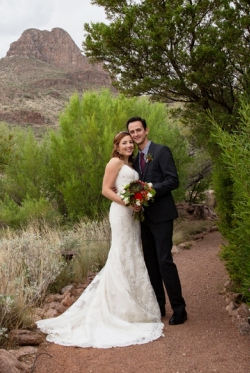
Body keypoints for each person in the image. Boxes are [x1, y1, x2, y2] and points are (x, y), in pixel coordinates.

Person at [36, 132, 163, 348]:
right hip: (121, 213)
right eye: (124, 143)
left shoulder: (129, 164)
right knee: (121, 252)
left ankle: (134, 304)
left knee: (132, 252)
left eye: (130, 143)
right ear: (116, 146)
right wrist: (127, 202)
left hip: (132, 214)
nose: (128, 146)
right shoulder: (114, 162)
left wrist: (138, 201)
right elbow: (105, 189)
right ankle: (118, 308)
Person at [126, 116, 187, 325]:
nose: (135, 135)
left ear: (146, 130)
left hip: (162, 216)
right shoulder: (134, 159)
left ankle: (179, 309)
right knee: (151, 263)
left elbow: (173, 181)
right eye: (132, 132)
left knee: (164, 261)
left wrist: (149, 190)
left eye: (138, 130)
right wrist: (135, 201)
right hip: (144, 218)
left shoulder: (161, 151)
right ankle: (159, 307)